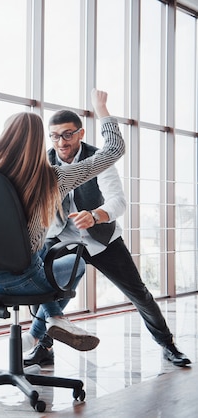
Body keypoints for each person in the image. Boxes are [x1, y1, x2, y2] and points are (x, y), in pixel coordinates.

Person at [0, 88, 125, 352]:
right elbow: (113, 150)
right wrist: (102, 111)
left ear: (4, 137)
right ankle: (51, 320)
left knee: (40, 257)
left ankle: (46, 326)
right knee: (75, 262)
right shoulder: (53, 177)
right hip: (24, 279)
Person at [20, 108, 192, 367]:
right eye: (54, 136)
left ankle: (168, 345)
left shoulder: (97, 158)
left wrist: (95, 215)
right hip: (61, 238)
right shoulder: (44, 163)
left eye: (67, 135)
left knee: (139, 294)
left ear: (81, 133)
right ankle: (44, 347)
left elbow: (118, 201)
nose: (61, 142)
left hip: (101, 238)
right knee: (53, 292)